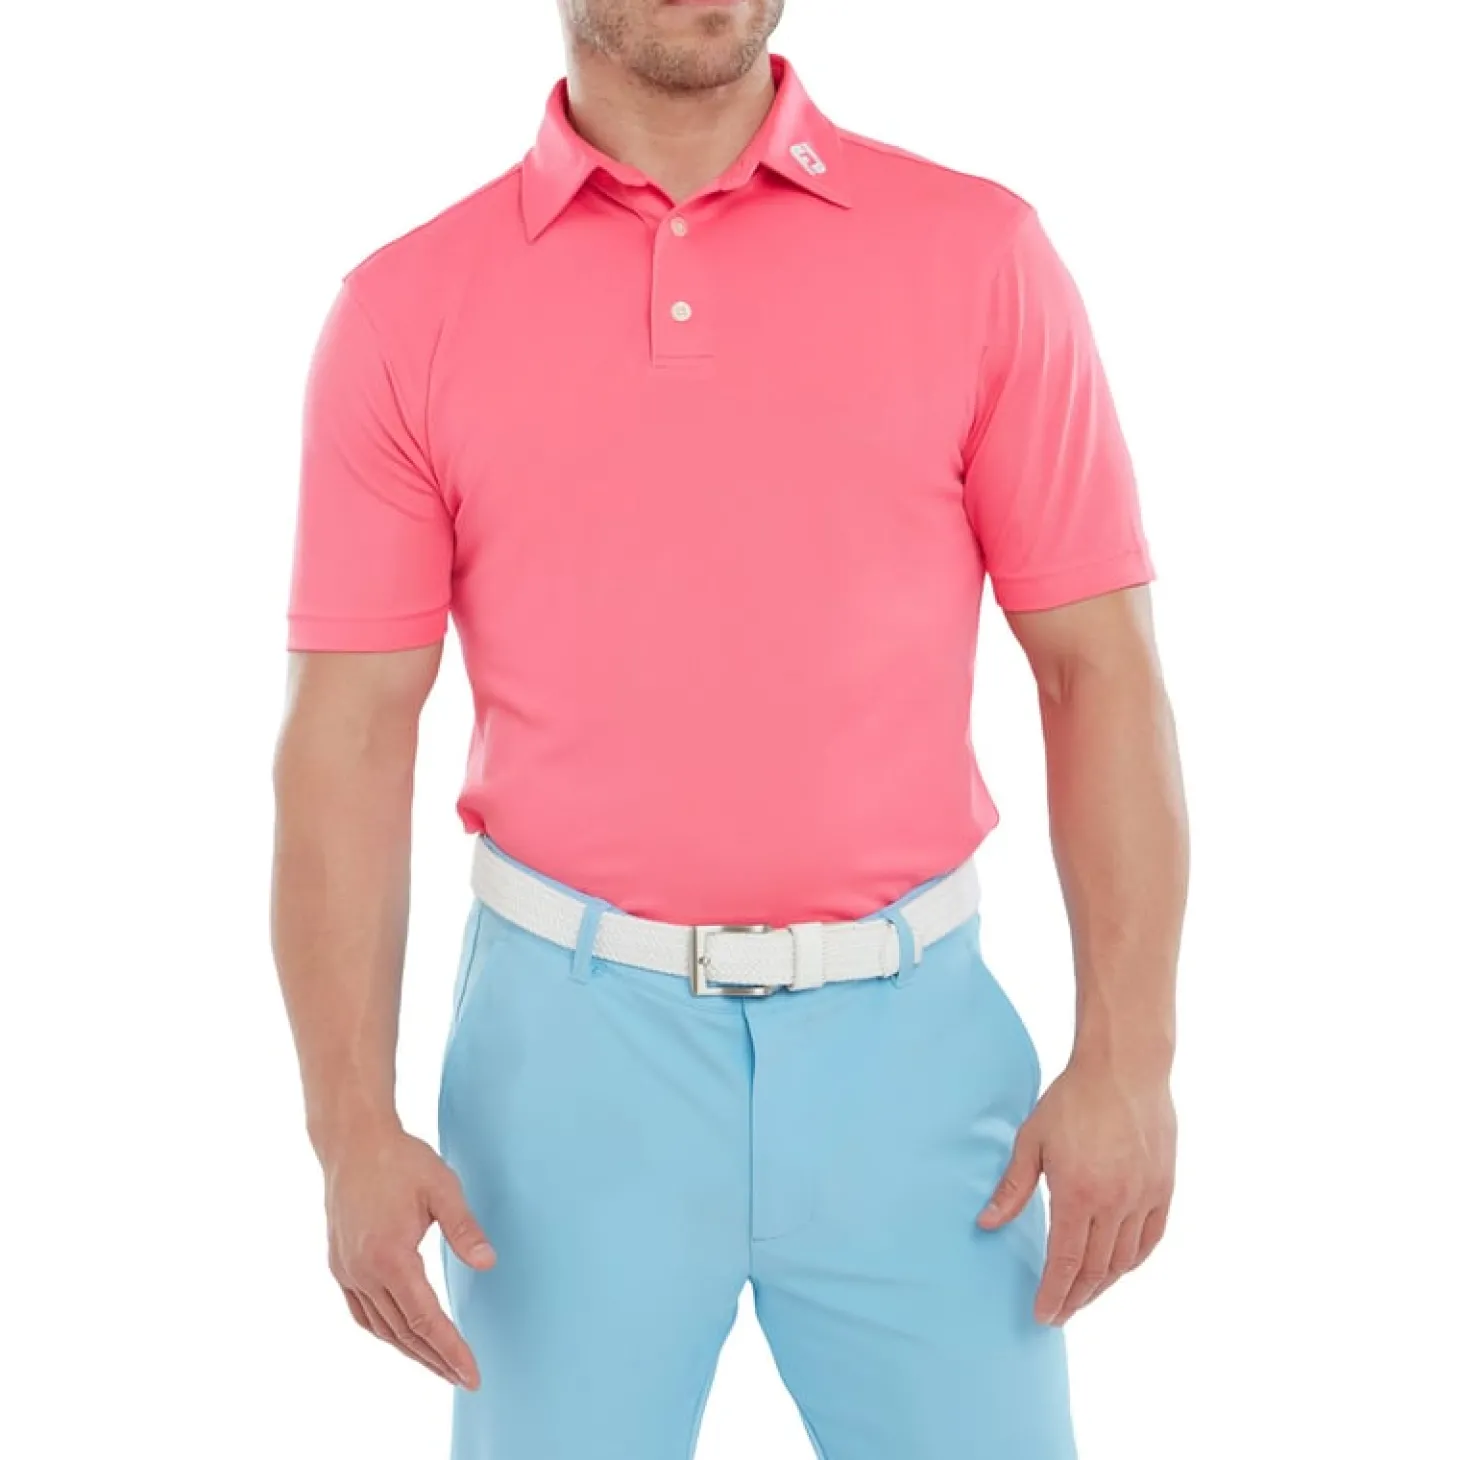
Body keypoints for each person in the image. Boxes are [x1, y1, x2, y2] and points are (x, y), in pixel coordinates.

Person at [271, 3, 1188, 1456]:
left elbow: (1099, 670)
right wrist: (348, 1128)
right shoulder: (407, 309)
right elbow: (348, 740)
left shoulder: (979, 256)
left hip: (917, 1052)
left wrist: (1130, 1060)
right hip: (565, 1070)